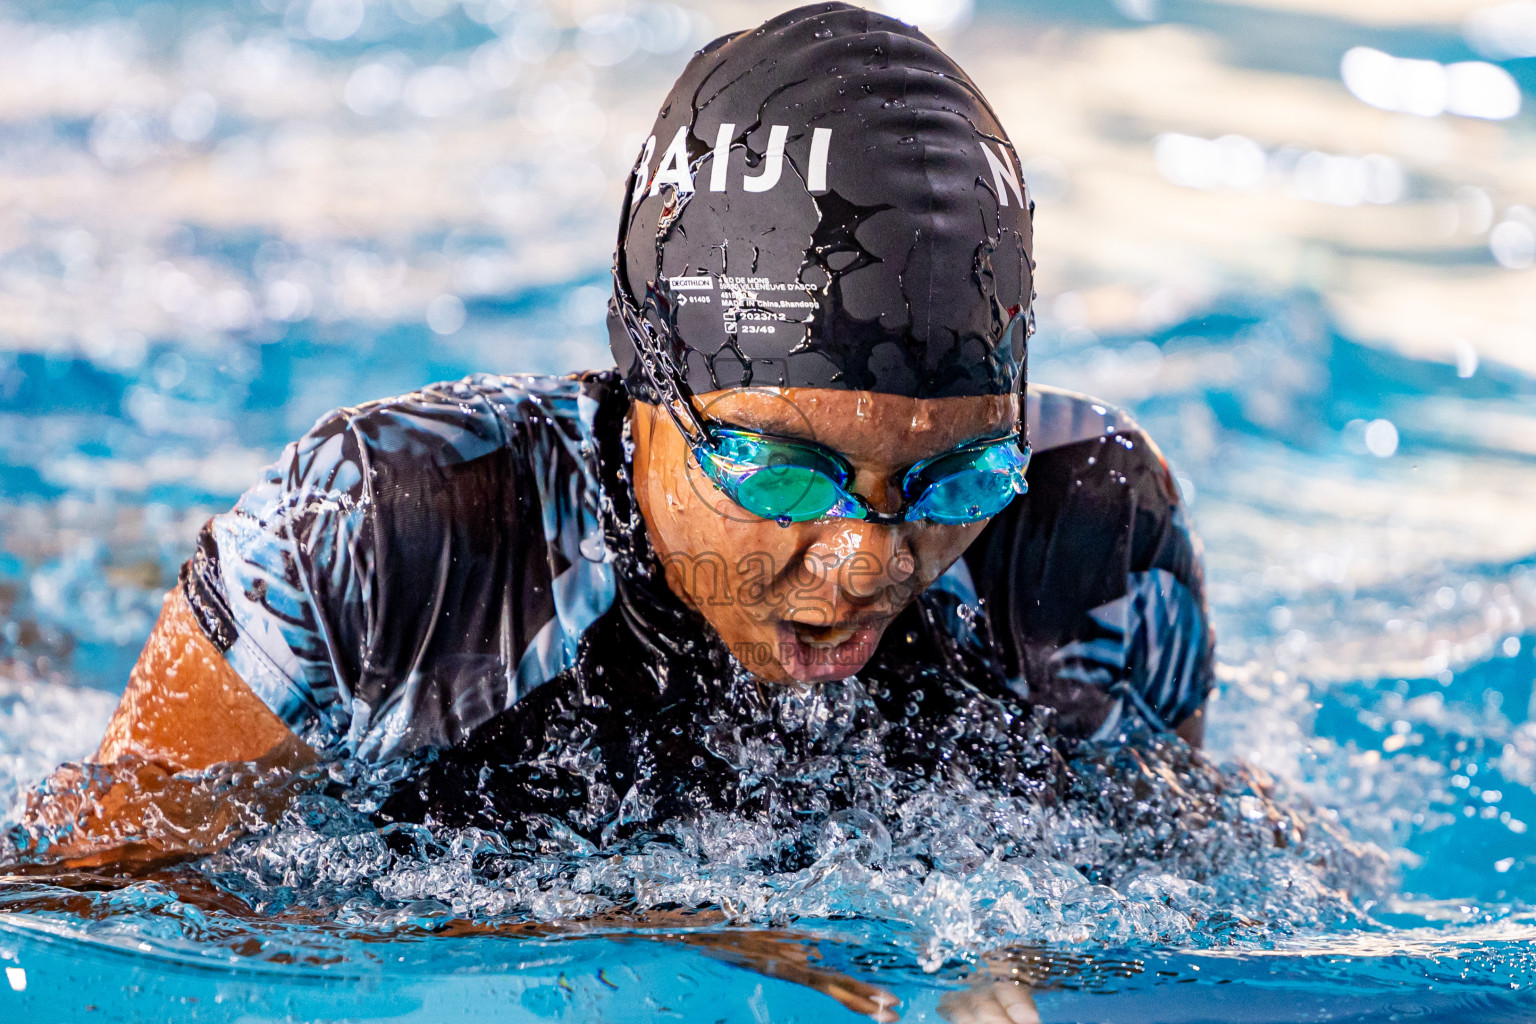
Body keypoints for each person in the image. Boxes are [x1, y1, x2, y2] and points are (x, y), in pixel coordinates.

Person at [25, 3, 1211, 866]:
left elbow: (1194, 885)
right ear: (650, 380)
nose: (868, 559)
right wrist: (683, 934)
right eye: (784, 468)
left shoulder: (1087, 545)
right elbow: (106, 893)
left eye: (953, 475)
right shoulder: (382, 534)